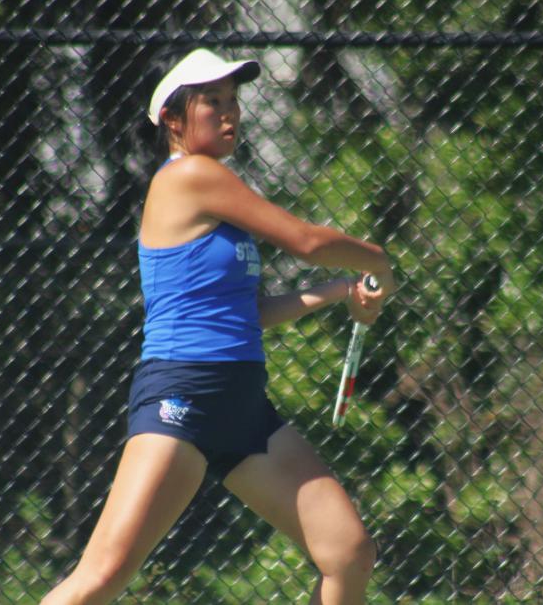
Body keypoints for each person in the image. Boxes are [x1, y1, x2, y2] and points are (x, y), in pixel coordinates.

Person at [42, 48, 395, 605]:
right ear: (174, 122)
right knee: (99, 579)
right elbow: (305, 241)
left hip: (243, 407)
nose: (230, 113)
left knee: (349, 553)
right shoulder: (192, 176)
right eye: (213, 102)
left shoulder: (219, 202)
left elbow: (249, 314)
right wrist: (377, 260)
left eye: (234, 101)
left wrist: (339, 293)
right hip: (182, 395)